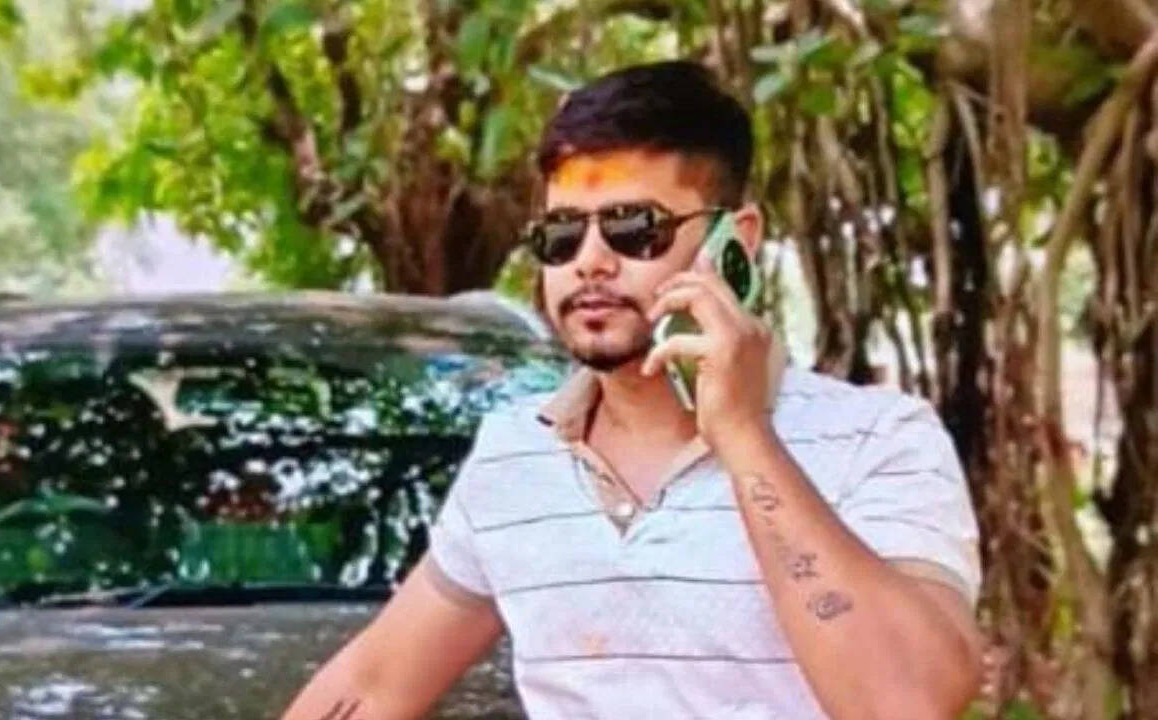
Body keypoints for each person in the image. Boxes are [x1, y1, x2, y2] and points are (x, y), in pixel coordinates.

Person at [280, 59, 983, 720]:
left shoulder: (879, 438)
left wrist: (743, 435)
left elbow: (909, 702)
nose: (589, 262)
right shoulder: (515, 453)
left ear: (735, 242)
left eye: (633, 229)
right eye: (561, 235)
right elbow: (374, 683)